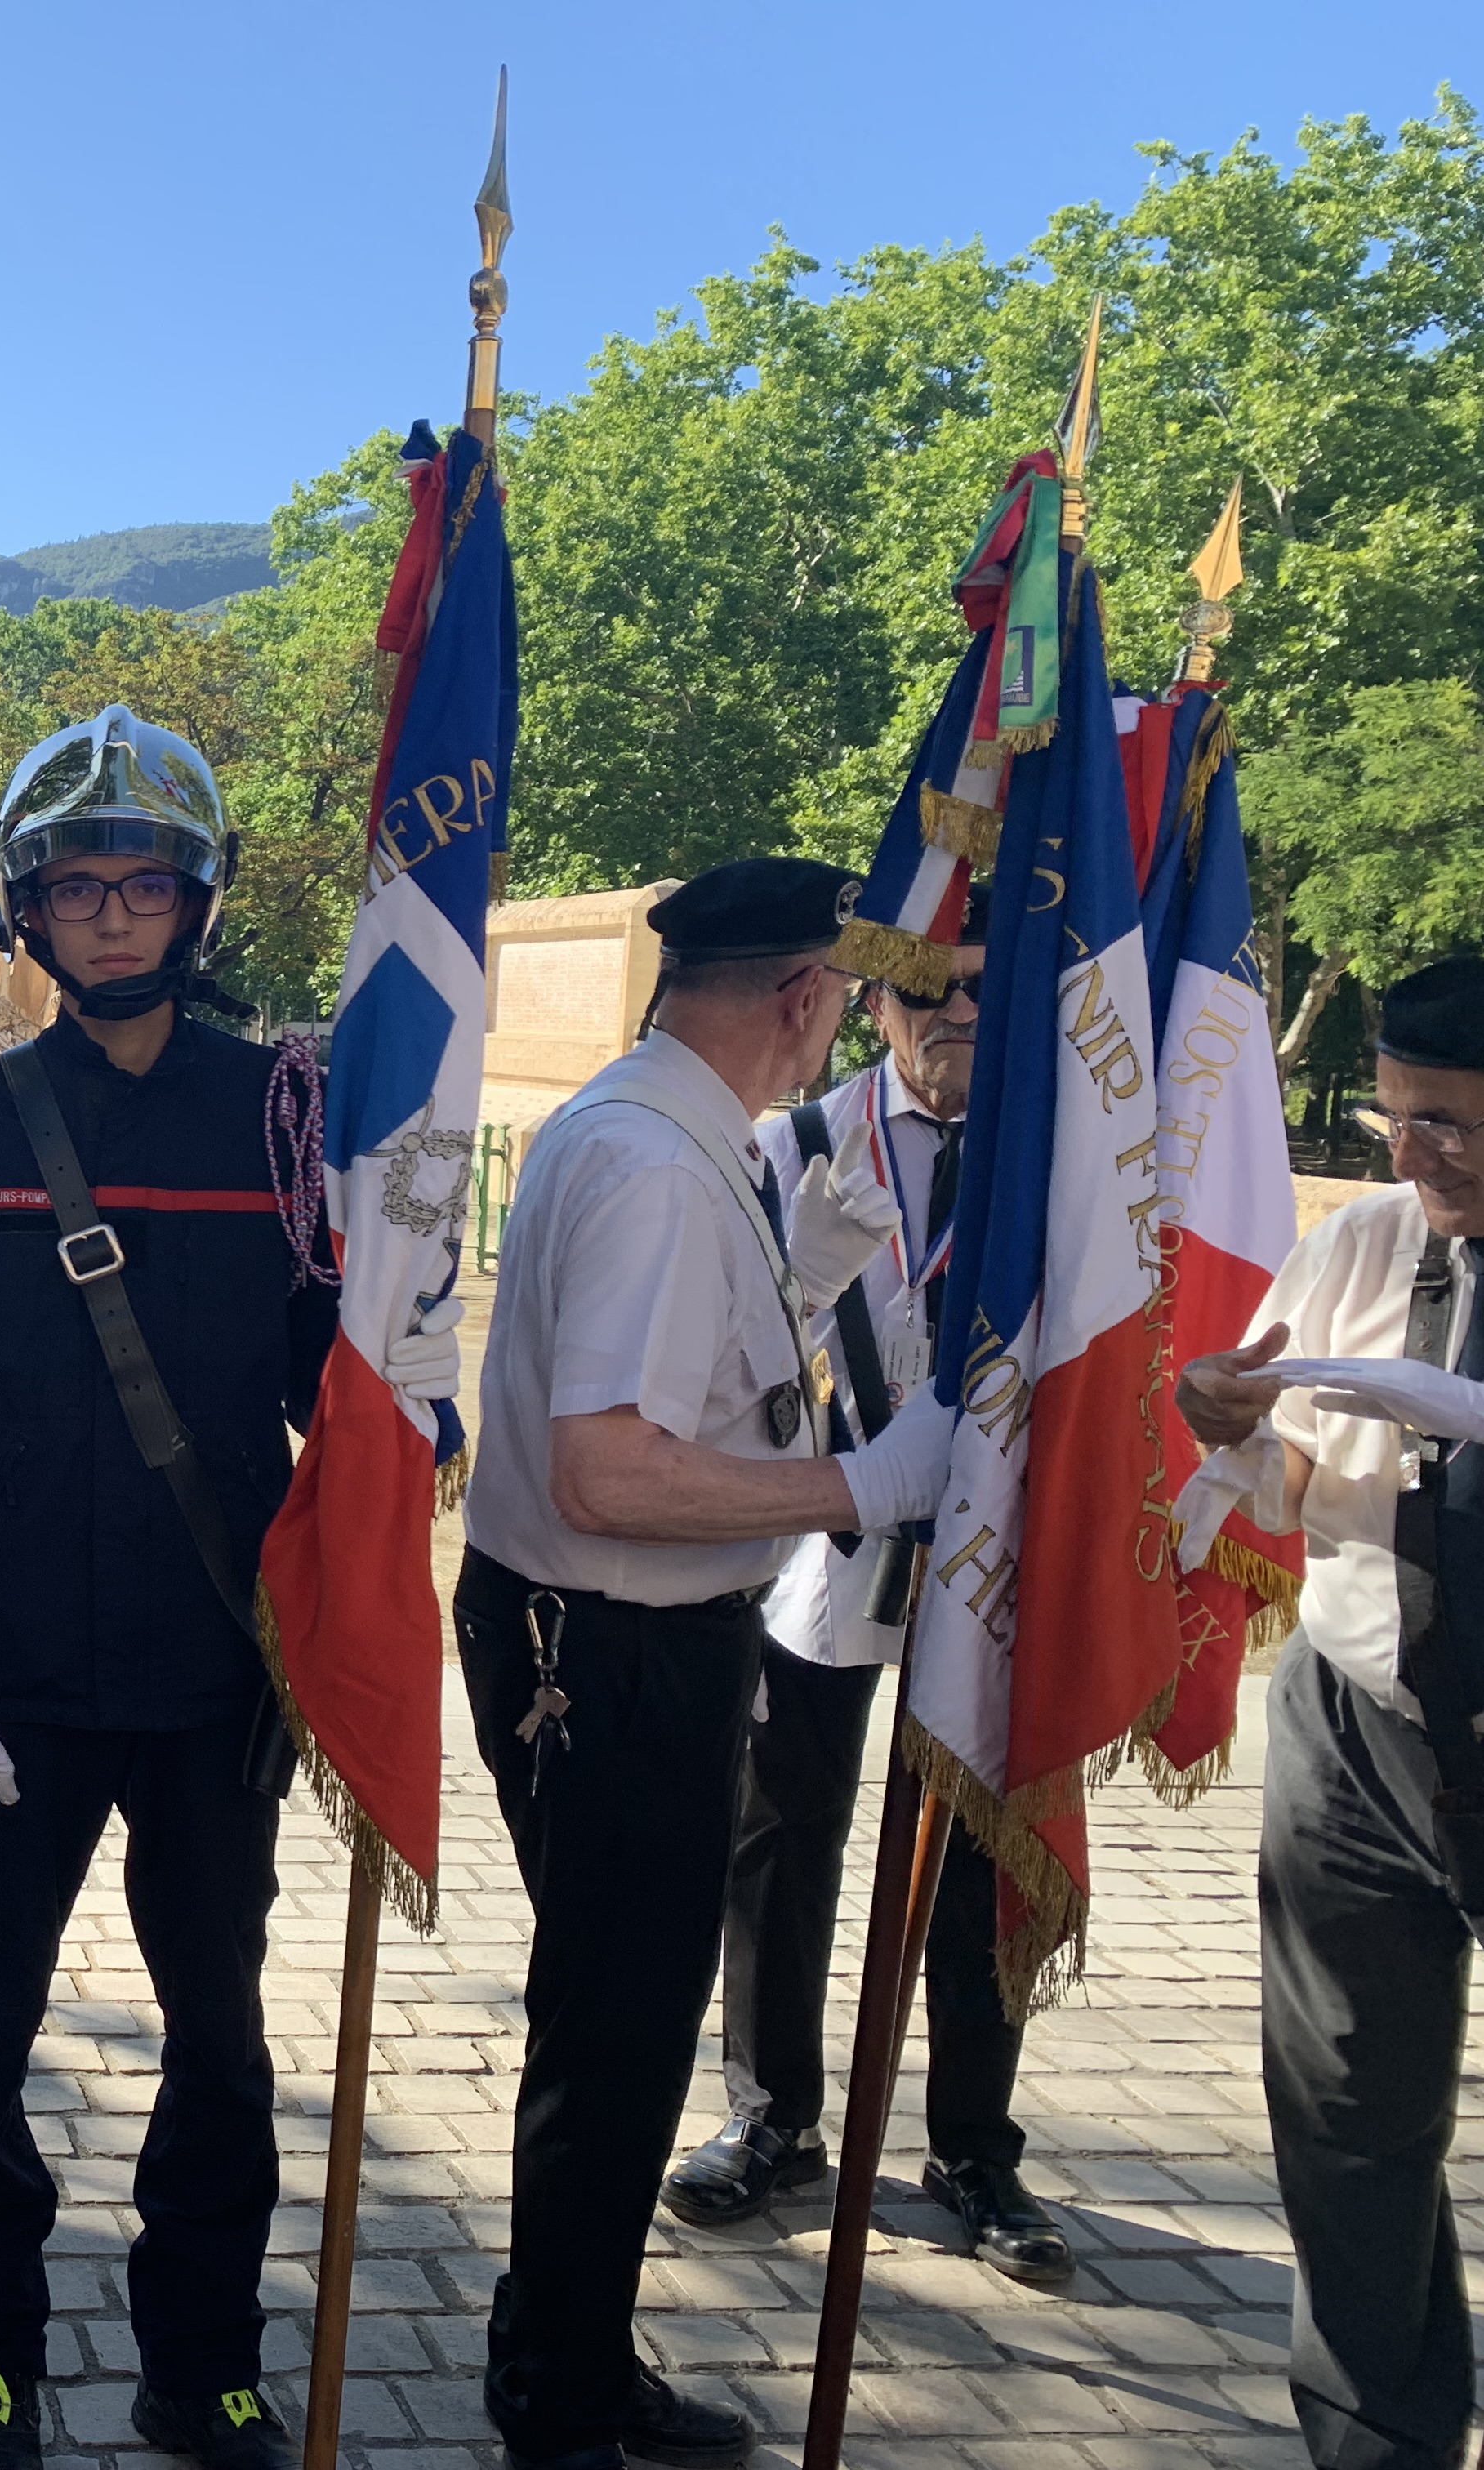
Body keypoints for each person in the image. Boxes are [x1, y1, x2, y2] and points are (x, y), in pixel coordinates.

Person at [0, 707, 392, 2470]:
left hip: (212, 1670)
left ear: (197, 904)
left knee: (222, 2038)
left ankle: (201, 2357)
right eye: (76, 886)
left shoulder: (283, 1119)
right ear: (25, 909)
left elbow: (346, 1374)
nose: (111, 915)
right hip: (7, 1676)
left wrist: (421, 1359)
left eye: (144, 885)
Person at [455, 856, 952, 2470]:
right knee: (615, 2036)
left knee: (614, 2023)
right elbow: (611, 1468)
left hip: (609, 1644)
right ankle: (561, 2390)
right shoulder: (661, 1167)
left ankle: (563, 2346)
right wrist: (859, 1487)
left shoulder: (673, 1131)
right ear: (804, 997)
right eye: (835, 1010)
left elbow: (688, 1378)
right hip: (613, 1652)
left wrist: (797, 1274)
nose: (833, 1049)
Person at [661, 888, 1067, 2283]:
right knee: (783, 1835)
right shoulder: (794, 1140)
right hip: (828, 1534)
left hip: (991, 1548)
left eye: (982, 992)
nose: (954, 1016)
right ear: (872, 1001)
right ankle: (772, 2113)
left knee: (967, 1853)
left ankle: (974, 2146)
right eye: (923, 992)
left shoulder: (1062, 1156)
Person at [1173, 951, 1484, 2470]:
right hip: (1358, 1733)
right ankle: (1376, 2439)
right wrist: (1226, 1422)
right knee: (1350, 2114)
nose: (1416, 1159)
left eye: (1456, 1130)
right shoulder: (1369, 1241)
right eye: (1397, 1121)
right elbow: (1283, 1479)